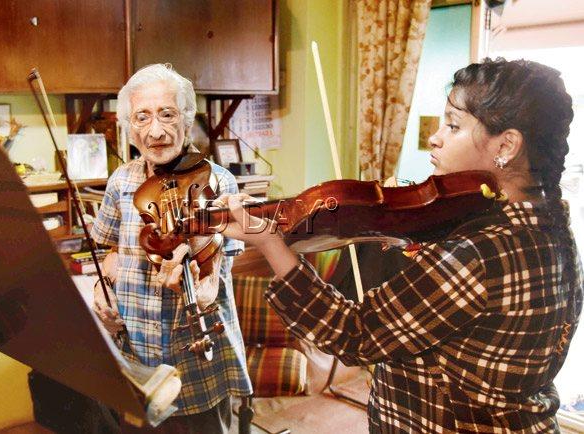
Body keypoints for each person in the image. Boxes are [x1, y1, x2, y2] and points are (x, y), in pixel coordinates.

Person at [217, 58, 583, 433]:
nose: (435, 137)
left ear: (506, 144)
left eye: (453, 125)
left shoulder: (477, 252)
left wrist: (271, 244)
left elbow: (355, 333)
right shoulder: (553, 229)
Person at [91, 63, 252, 433]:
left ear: (187, 118)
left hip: (196, 365)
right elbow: (110, 252)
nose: (156, 131)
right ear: (129, 127)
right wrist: (102, 291)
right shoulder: (121, 181)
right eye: (142, 118)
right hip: (135, 361)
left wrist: (199, 290)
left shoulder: (217, 182)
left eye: (167, 114)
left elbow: (218, 273)